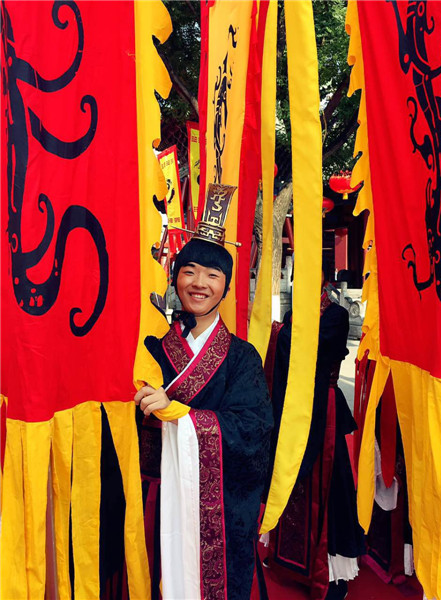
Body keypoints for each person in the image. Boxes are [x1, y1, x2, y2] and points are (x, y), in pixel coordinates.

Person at [135, 183, 273, 600]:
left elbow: (253, 430)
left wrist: (180, 414)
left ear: (226, 287)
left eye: (213, 275)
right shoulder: (153, 346)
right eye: (189, 271)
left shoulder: (242, 358)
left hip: (216, 508)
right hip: (158, 500)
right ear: (176, 278)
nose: (199, 283)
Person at [263, 262, 365, 600]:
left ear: (324, 281)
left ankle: (333, 572)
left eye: (309, 277)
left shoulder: (335, 316)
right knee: (292, 480)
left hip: (326, 410)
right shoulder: (294, 315)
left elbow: (312, 351)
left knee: (329, 485)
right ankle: (289, 561)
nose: (301, 283)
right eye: (298, 278)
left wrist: (271, 330)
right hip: (293, 408)